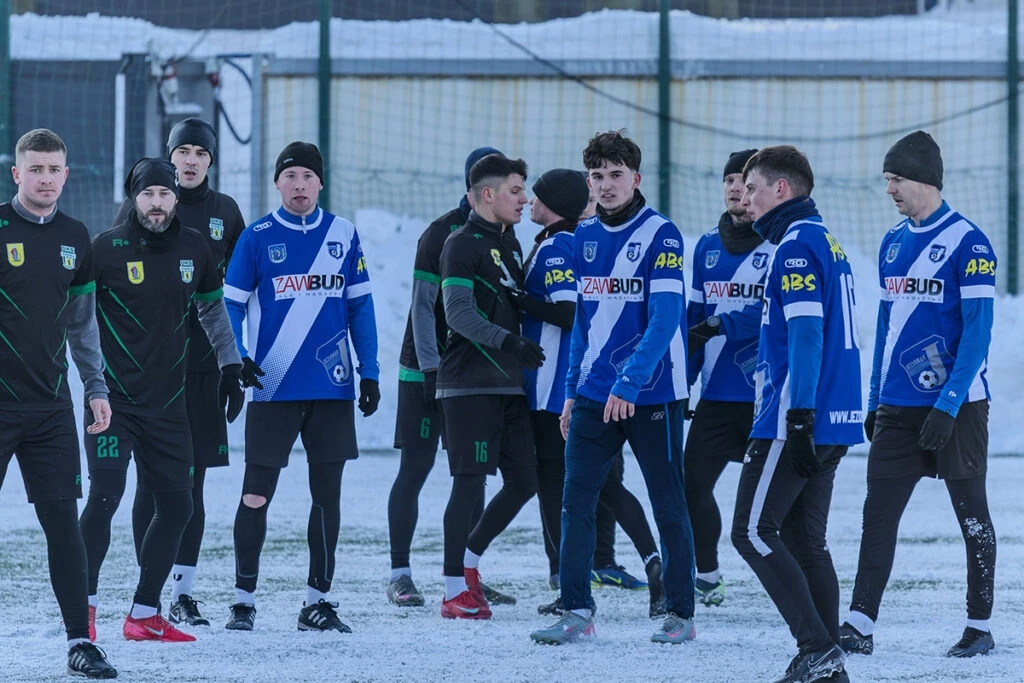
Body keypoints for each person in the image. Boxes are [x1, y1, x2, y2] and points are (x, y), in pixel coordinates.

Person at [530, 130, 696, 645]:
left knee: (668, 504)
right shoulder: (581, 237)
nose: (606, 184)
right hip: (593, 394)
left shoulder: (663, 235)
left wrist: (630, 382)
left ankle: (680, 613)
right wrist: (571, 391)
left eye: (616, 174)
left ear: (636, 178)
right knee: (575, 502)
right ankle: (576, 609)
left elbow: (665, 319)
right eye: (597, 175)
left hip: (652, 393)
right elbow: (584, 323)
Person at [840, 131, 997, 659]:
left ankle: (979, 626)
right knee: (878, 516)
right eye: (888, 179)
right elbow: (886, 328)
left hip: (959, 408)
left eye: (896, 179)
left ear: (924, 180)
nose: (889, 189)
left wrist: (948, 405)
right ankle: (859, 622)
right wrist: (873, 399)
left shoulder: (970, 243)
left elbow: (978, 334)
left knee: (972, 517)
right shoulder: (892, 242)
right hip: (897, 408)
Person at [79, 157, 243, 644]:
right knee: (105, 496)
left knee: (177, 506)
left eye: (164, 194)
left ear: (175, 198)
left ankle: (145, 613)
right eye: (147, 194)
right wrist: (88, 383)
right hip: (112, 403)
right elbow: (77, 320)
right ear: (134, 198)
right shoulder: (104, 249)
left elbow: (213, 312)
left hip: (170, 406)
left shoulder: (195, 247)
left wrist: (230, 365)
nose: (156, 203)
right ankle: (82, 608)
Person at [223, 141, 380, 633]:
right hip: (272, 385)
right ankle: (243, 601)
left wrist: (370, 371)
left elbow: (361, 307)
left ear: (320, 183)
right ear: (277, 183)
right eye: (290, 176)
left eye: (308, 176)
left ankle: (317, 602)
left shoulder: (343, 234)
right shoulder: (256, 236)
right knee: (255, 495)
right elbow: (230, 304)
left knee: (326, 497)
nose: (299, 185)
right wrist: (239, 356)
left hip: (332, 388)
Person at [729, 145, 862, 682]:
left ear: (781, 189)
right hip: (833, 415)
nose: (745, 198)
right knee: (807, 542)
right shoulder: (825, 239)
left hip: (796, 416)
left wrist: (800, 415)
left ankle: (817, 648)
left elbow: (807, 332)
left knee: (752, 532)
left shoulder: (796, 245)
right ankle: (829, 666)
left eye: (752, 188)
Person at [520, 169, 664, 618]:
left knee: (564, 489)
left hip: (560, 389)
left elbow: (570, 311)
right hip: (589, 383)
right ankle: (646, 560)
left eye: (535, 195)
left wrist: (515, 300)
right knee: (602, 487)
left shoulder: (561, 245)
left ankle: (567, 581)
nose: (528, 201)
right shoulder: (576, 241)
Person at [0, 129, 117, 678]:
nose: (46, 178)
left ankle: (80, 643)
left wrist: (95, 387)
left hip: (50, 409)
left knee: (64, 526)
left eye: (54, 169)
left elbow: (83, 325)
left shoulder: (76, 237)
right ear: (17, 174)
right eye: (36, 169)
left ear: (66, 175)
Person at [386, 146, 515, 609]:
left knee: (472, 476)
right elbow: (424, 307)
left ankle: (464, 574)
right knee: (416, 467)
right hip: (427, 370)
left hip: (471, 376)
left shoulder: (505, 234)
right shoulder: (440, 233)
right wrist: (429, 368)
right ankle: (400, 575)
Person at [436, 153, 542, 620]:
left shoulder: (511, 243)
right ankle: (452, 590)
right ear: (487, 194)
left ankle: (470, 564)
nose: (524, 199)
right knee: (469, 483)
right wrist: (509, 341)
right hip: (469, 385)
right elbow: (458, 313)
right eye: (516, 191)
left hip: (509, 386)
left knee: (525, 481)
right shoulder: (460, 244)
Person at [684, 148, 772, 607]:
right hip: (716, 397)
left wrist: (725, 323)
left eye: (744, 180)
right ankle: (707, 575)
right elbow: (694, 320)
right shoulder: (705, 247)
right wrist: (682, 383)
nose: (736, 188)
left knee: (778, 506)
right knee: (691, 488)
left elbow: (774, 314)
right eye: (729, 180)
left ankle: (794, 581)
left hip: (766, 398)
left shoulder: (780, 246)